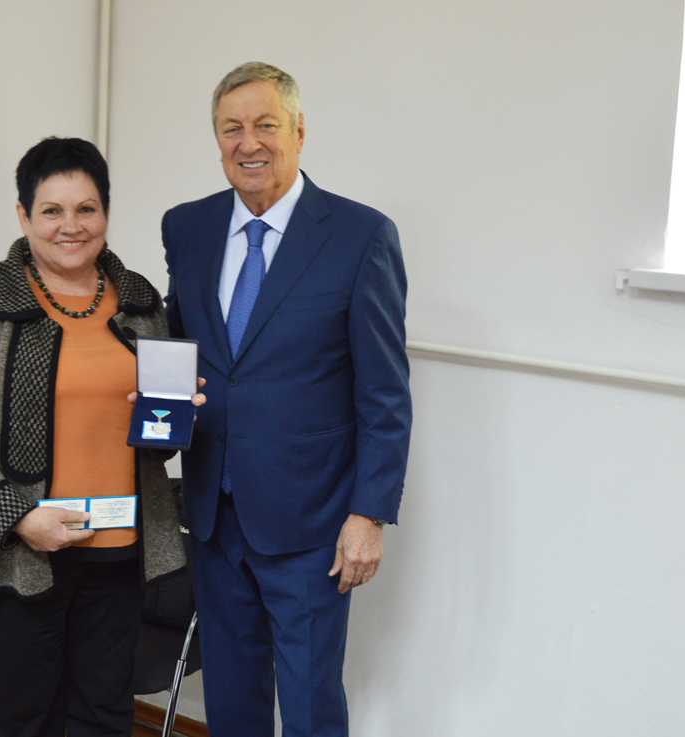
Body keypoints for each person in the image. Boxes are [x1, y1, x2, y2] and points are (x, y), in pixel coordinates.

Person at [161, 62, 412, 737]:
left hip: (312, 524)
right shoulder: (186, 227)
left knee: (308, 705)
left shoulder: (361, 236)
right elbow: (181, 349)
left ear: (299, 131)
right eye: (231, 128)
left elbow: (385, 394)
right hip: (214, 515)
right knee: (231, 700)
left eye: (266, 125)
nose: (249, 143)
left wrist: (368, 513)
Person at [0, 136, 203, 737]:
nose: (70, 226)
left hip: (122, 549)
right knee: (27, 720)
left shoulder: (141, 303)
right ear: (24, 216)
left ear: (106, 212)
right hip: (23, 552)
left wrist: (177, 416)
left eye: (86, 209)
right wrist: (19, 517)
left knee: (105, 716)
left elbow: (157, 446)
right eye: (52, 210)